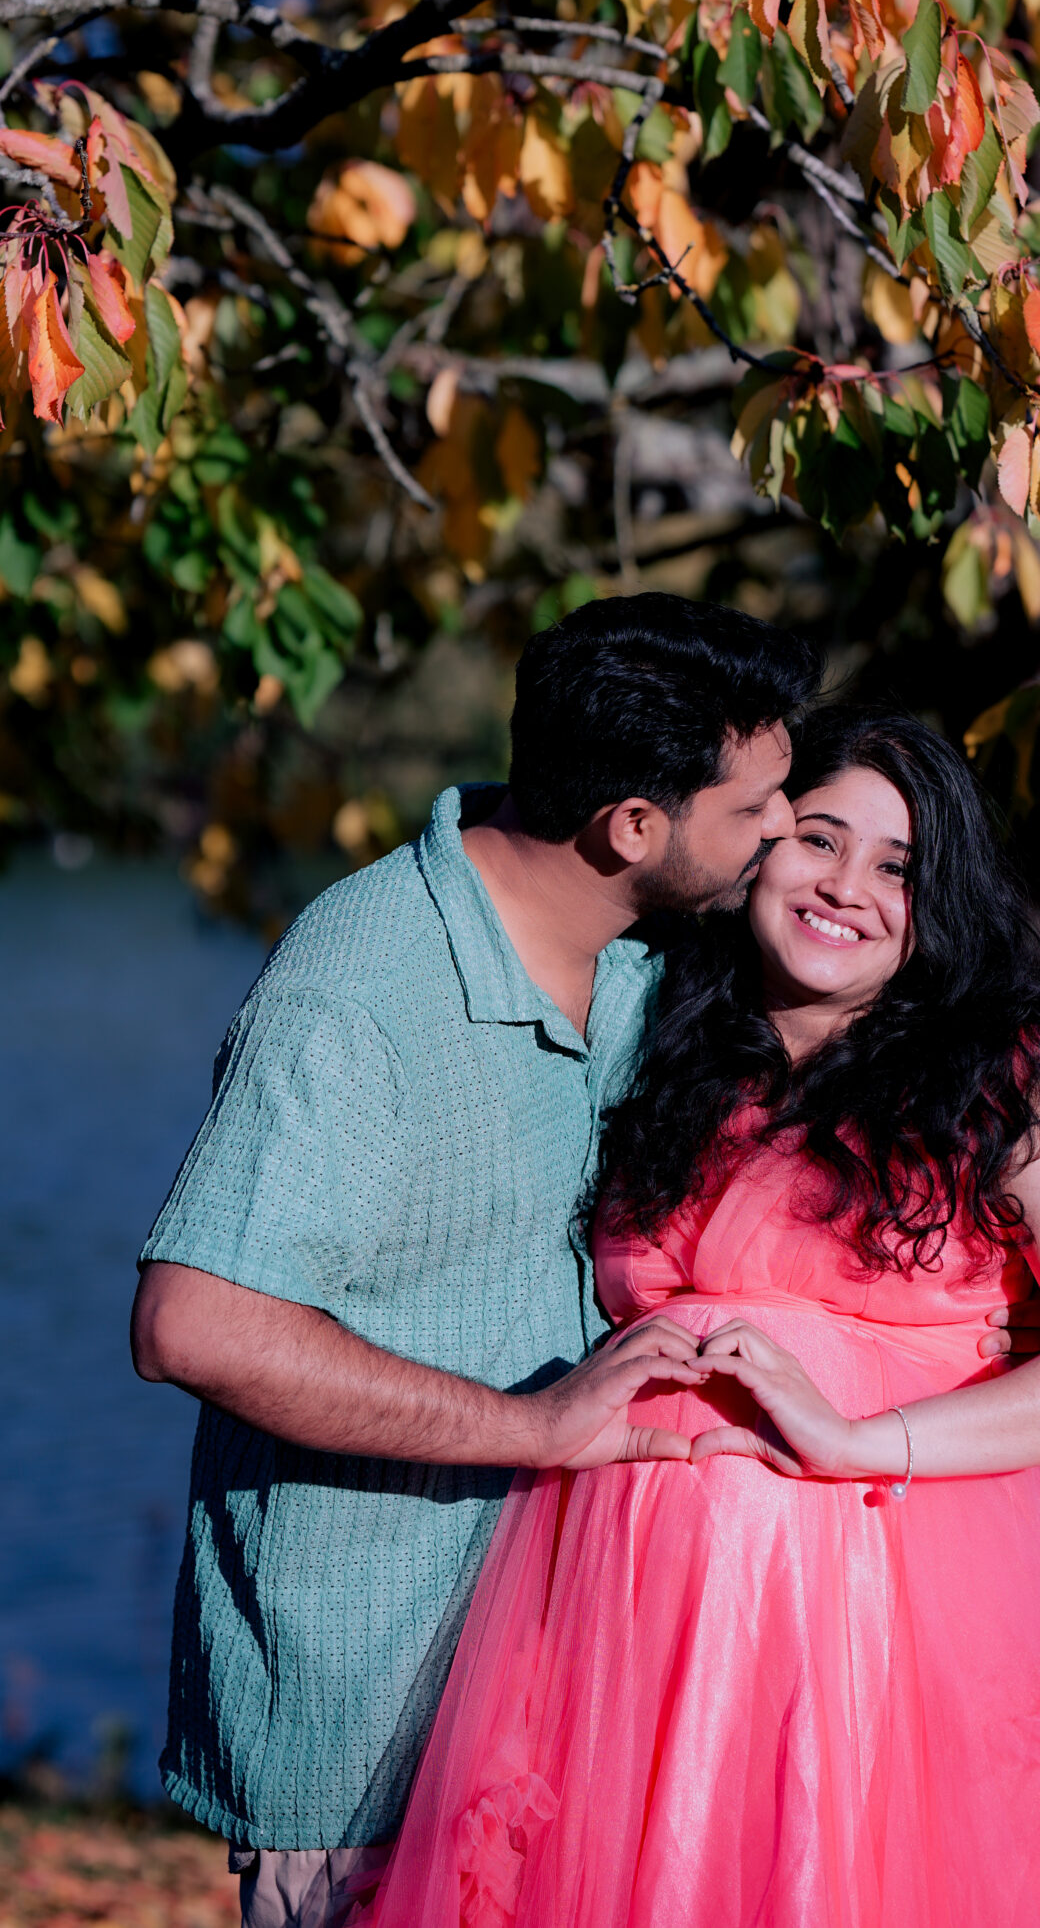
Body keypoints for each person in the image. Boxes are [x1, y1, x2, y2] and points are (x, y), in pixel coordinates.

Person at [362, 705, 1040, 1928]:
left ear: (938, 905)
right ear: (757, 844)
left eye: (896, 866)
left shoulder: (997, 1084)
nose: (845, 886)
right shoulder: (658, 1041)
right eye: (818, 838)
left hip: (870, 1627)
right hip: (620, 1628)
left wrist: (860, 1437)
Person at [131, 594, 877, 1928]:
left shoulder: (642, 954)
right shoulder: (360, 993)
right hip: (374, 1744)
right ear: (631, 827)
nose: (782, 827)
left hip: (562, 1715)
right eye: (754, 807)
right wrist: (535, 1425)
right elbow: (196, 1323)